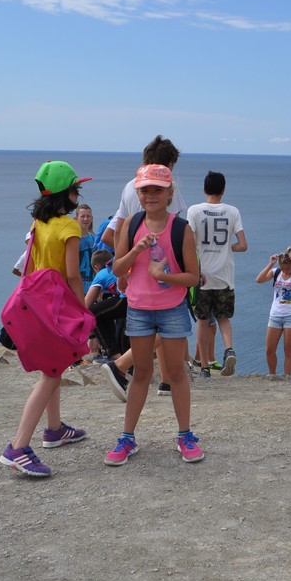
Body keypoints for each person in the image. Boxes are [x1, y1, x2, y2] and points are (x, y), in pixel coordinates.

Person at [0, 161, 92, 478]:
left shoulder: (38, 222)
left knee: (55, 366)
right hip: (57, 307)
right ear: (67, 193)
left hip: (36, 306)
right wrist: (83, 311)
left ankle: (54, 430)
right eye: (76, 189)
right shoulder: (70, 228)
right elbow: (73, 275)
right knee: (51, 375)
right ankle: (18, 447)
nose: (79, 194)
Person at [105, 164, 204, 466]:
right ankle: (127, 438)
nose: (151, 195)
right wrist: (136, 251)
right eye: (145, 190)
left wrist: (164, 276)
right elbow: (118, 268)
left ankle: (185, 434)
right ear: (138, 193)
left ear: (169, 193)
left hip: (172, 309)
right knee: (141, 373)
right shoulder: (131, 224)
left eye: (157, 190)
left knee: (175, 373)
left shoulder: (181, 228)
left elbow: (193, 277)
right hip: (139, 309)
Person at [186, 171, 248, 375]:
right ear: (223, 190)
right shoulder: (233, 211)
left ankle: (204, 366)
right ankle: (229, 349)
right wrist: (227, 248)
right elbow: (243, 245)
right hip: (225, 276)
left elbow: (189, 243)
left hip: (202, 276)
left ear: (204, 189)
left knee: (203, 322)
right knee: (223, 318)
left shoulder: (194, 210)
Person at [99, 136, 182, 250]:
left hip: (135, 254)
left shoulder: (130, 186)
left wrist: (125, 256)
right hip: (161, 256)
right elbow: (175, 231)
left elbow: (116, 232)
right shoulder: (167, 189)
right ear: (170, 164)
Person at [257, 248, 291, 377]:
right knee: (269, 350)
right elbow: (259, 279)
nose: (285, 271)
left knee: (288, 351)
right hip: (275, 315)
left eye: (288, 269)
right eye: (283, 268)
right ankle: (272, 375)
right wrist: (270, 264)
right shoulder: (276, 272)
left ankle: (287, 378)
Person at [77, 203, 100, 291]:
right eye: (82, 216)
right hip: (78, 287)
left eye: (88, 216)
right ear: (76, 219)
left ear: (92, 218)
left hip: (92, 286)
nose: (85, 219)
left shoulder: (94, 238)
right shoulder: (75, 239)